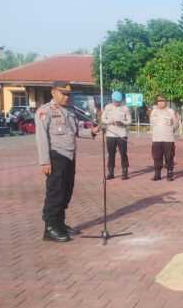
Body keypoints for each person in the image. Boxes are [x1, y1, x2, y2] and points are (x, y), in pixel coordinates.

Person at [35, 81, 99, 242]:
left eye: (68, 94)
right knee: (55, 193)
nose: (66, 97)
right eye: (63, 94)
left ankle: (60, 224)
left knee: (66, 191)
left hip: (70, 156)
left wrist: (92, 131)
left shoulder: (69, 110)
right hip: (56, 156)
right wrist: (45, 162)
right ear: (53, 92)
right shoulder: (45, 111)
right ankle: (50, 228)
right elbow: (41, 138)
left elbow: (76, 130)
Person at [101, 90, 132, 180]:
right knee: (111, 154)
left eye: (118, 101)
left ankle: (125, 172)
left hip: (122, 134)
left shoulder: (125, 108)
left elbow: (129, 121)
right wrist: (109, 121)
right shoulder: (108, 107)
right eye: (115, 101)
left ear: (121, 100)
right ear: (112, 99)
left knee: (123, 154)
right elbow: (103, 118)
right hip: (110, 134)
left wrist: (122, 122)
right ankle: (111, 172)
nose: (116, 103)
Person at [149, 95, 178, 181]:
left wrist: (170, 130)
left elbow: (176, 123)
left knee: (169, 157)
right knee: (157, 157)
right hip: (156, 138)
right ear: (157, 102)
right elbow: (152, 124)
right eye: (159, 101)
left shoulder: (171, 111)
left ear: (166, 102)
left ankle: (169, 174)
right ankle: (157, 174)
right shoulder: (154, 112)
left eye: (162, 101)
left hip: (168, 139)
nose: (161, 103)